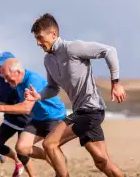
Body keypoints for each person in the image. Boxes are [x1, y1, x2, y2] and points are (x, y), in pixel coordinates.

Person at [25, 13, 126, 177]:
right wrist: (38, 96)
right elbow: (52, 88)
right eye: (36, 39)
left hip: (91, 110)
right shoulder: (48, 61)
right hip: (81, 111)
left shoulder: (73, 48)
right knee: (101, 161)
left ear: (53, 34)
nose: (38, 43)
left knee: (50, 144)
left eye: (40, 38)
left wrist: (116, 83)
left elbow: (109, 51)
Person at [0, 58, 66, 176]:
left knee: (51, 148)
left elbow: (26, 108)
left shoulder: (32, 80)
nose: (5, 80)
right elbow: (17, 105)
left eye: (7, 77)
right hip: (38, 119)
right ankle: (53, 157)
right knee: (22, 148)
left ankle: (59, 165)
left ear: (18, 72)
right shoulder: (17, 83)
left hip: (54, 117)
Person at [0, 52, 35, 177]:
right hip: (10, 118)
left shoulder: (20, 79)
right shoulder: (0, 79)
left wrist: (0, 107)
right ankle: (17, 161)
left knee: (23, 153)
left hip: (25, 119)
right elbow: (4, 100)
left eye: (0, 65)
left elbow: (24, 104)